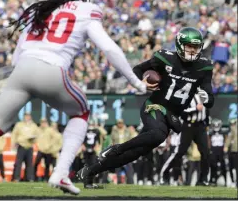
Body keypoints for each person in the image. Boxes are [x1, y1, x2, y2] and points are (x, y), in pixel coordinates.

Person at [0, 0, 146, 195]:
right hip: (52, 68)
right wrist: (134, 81)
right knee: (81, 113)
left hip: (21, 70)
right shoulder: (86, 9)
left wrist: (28, 85)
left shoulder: (38, 9)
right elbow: (109, 48)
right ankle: (61, 172)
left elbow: (17, 55)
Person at [77, 27, 214, 188]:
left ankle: (89, 172)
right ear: (179, 45)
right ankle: (116, 148)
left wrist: (207, 98)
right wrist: (141, 83)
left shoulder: (204, 67)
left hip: (171, 116)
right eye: (189, 46)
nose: (192, 50)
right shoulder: (166, 58)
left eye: (195, 47)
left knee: (135, 153)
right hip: (155, 106)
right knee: (157, 135)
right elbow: (137, 70)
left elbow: (209, 99)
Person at [160, 94, 210, 186]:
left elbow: (206, 109)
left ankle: (203, 179)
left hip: (201, 126)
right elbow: (180, 112)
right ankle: (164, 174)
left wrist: (206, 123)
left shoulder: (203, 94)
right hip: (188, 126)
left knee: (205, 152)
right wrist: (195, 108)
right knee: (179, 152)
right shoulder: (185, 95)